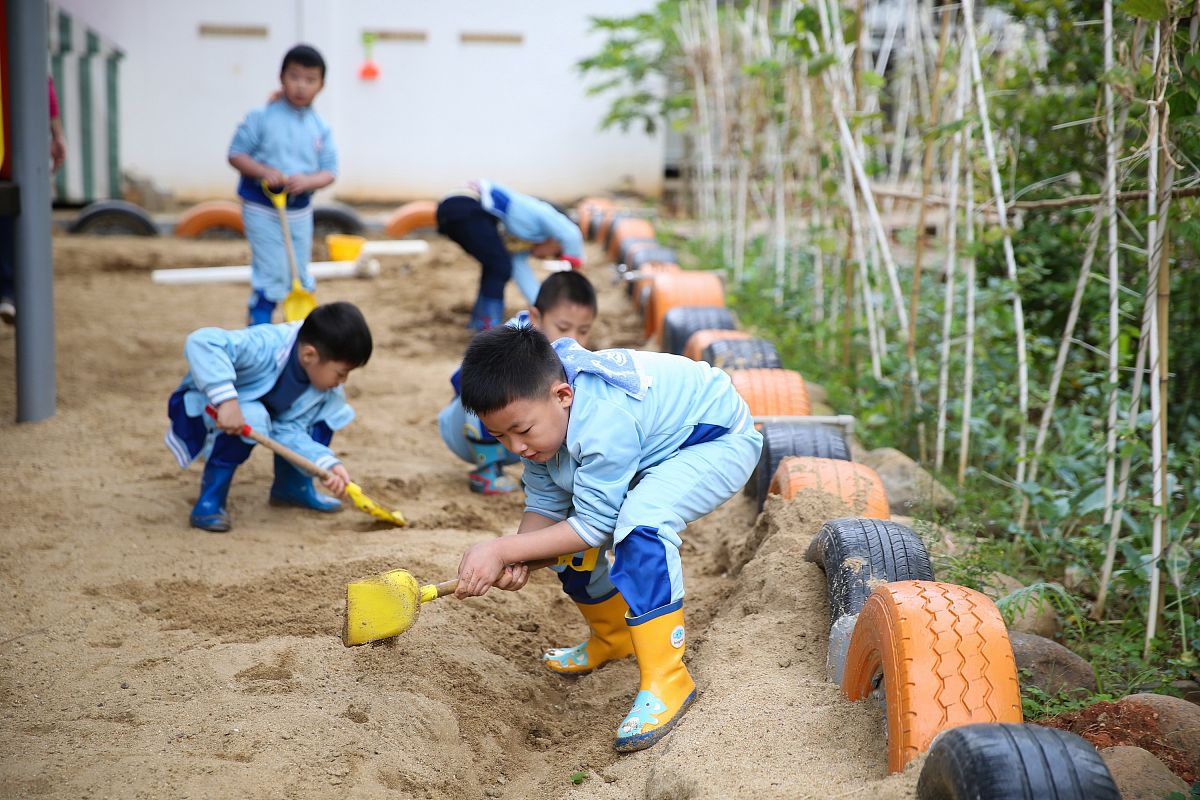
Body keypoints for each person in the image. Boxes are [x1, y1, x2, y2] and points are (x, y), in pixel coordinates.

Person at [455, 326, 763, 752]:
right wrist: (518, 558)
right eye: (500, 437)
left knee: (641, 527)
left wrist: (502, 549)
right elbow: (545, 507)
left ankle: (668, 679)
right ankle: (614, 639)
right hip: (648, 447)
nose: (516, 448)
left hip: (714, 441)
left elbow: (595, 526)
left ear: (563, 396)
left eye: (522, 431)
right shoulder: (547, 426)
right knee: (565, 549)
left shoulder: (604, 418)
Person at [164, 302, 372, 533]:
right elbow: (202, 341)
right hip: (218, 406)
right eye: (341, 373)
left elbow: (289, 431)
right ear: (309, 355)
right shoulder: (264, 344)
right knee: (251, 417)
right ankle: (211, 499)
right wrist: (226, 399)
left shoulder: (322, 387)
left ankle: (292, 488)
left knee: (329, 413)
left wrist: (324, 463)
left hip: (271, 414)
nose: (343, 381)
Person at [438, 271, 597, 495]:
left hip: (517, 435)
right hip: (466, 428)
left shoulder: (570, 354)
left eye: (583, 331)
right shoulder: (512, 341)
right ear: (535, 317)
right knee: (496, 398)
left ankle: (545, 471)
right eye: (563, 328)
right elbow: (462, 380)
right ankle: (486, 470)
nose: (573, 338)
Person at [228, 44, 337, 325]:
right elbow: (236, 153)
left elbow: (330, 171)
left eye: (310, 80)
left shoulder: (320, 127)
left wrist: (309, 180)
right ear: (281, 77)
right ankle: (260, 325)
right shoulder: (261, 117)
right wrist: (263, 171)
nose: (301, 86)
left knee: (298, 271)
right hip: (261, 205)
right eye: (294, 77)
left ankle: (297, 331)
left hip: (299, 209)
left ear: (321, 85)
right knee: (270, 271)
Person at [436, 179, 584, 331]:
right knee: (499, 266)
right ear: (555, 237)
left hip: (455, 211)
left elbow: (524, 277)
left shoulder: (520, 241)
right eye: (556, 253)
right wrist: (574, 271)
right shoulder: (538, 212)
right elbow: (571, 233)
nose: (547, 257)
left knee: (495, 265)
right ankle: (487, 328)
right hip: (464, 205)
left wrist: (546, 309)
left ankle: (479, 323)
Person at [0, 77, 67, 326]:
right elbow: (42, 81)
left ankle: (9, 291)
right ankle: (9, 291)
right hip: (12, 144)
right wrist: (57, 132)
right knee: (16, 214)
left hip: (9, 147)